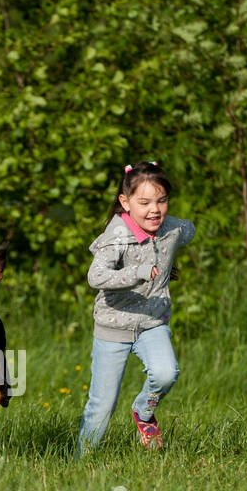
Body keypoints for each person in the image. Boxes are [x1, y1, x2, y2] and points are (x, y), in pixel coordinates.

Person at [75, 161, 195, 457]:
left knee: (166, 373)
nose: (154, 210)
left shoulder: (172, 228)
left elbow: (188, 231)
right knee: (103, 405)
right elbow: (95, 276)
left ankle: (143, 412)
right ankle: (81, 461)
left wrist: (167, 255)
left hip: (153, 322)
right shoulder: (117, 236)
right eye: (144, 202)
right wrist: (138, 272)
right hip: (113, 328)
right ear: (125, 203)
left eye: (162, 200)